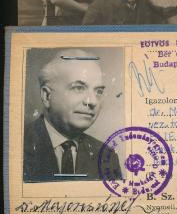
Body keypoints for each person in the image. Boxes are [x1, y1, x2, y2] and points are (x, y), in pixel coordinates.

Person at [23, 48, 121, 182]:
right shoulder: (17, 145)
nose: (92, 101)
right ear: (47, 96)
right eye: (79, 88)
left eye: (98, 91)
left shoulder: (106, 156)